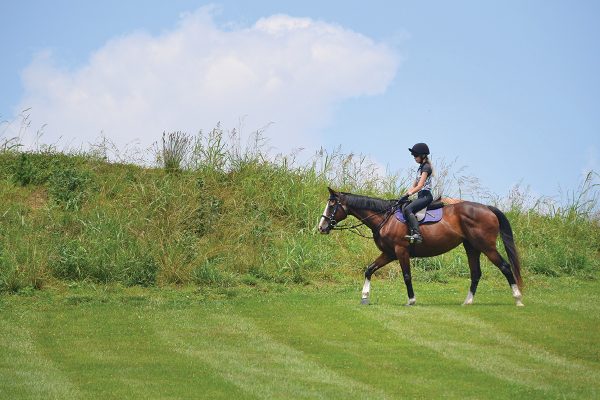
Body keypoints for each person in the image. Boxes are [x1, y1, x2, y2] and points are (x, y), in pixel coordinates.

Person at [401, 142, 433, 244]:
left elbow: (420, 186)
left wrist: (409, 194)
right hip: (420, 196)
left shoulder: (426, 167)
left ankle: (417, 235)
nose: (414, 157)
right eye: (413, 155)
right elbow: (414, 186)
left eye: (415, 155)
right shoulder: (420, 168)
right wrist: (404, 195)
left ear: (423, 155)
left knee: (408, 209)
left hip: (426, 196)